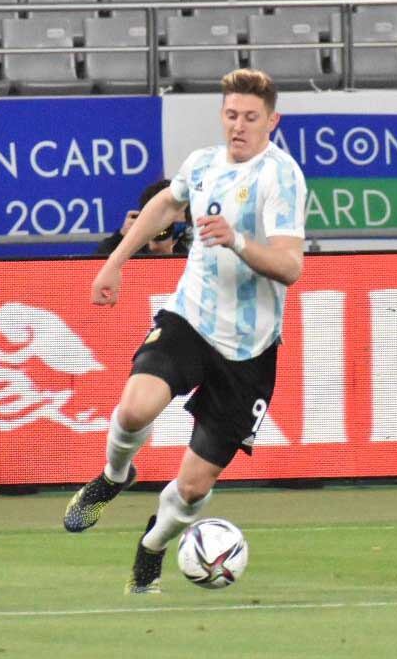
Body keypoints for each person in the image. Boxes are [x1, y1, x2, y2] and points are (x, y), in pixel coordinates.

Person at [63, 68, 307, 594]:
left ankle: (152, 547)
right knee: (135, 408)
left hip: (250, 349)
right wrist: (115, 263)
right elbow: (166, 204)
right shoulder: (202, 164)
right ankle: (114, 475)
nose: (239, 126)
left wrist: (237, 241)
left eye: (251, 117)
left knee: (194, 487)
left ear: (272, 121)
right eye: (232, 115)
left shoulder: (281, 177)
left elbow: (290, 267)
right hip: (191, 318)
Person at [95, 178, 192, 257]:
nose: (162, 229)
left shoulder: (194, 248)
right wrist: (120, 239)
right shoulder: (122, 248)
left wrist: (170, 255)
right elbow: (97, 269)